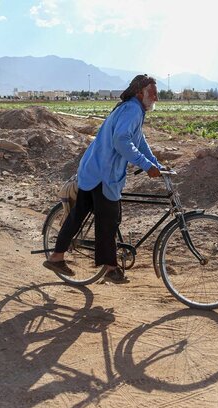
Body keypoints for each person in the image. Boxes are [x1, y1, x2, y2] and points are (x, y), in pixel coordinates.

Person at [43, 74, 163, 283]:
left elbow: (140, 141)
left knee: (79, 214)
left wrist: (156, 164)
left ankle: (56, 256)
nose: (156, 98)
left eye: (156, 94)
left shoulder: (132, 109)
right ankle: (109, 268)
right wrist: (146, 165)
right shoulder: (132, 110)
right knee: (109, 218)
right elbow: (121, 140)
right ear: (139, 93)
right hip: (103, 174)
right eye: (153, 93)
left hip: (93, 169)